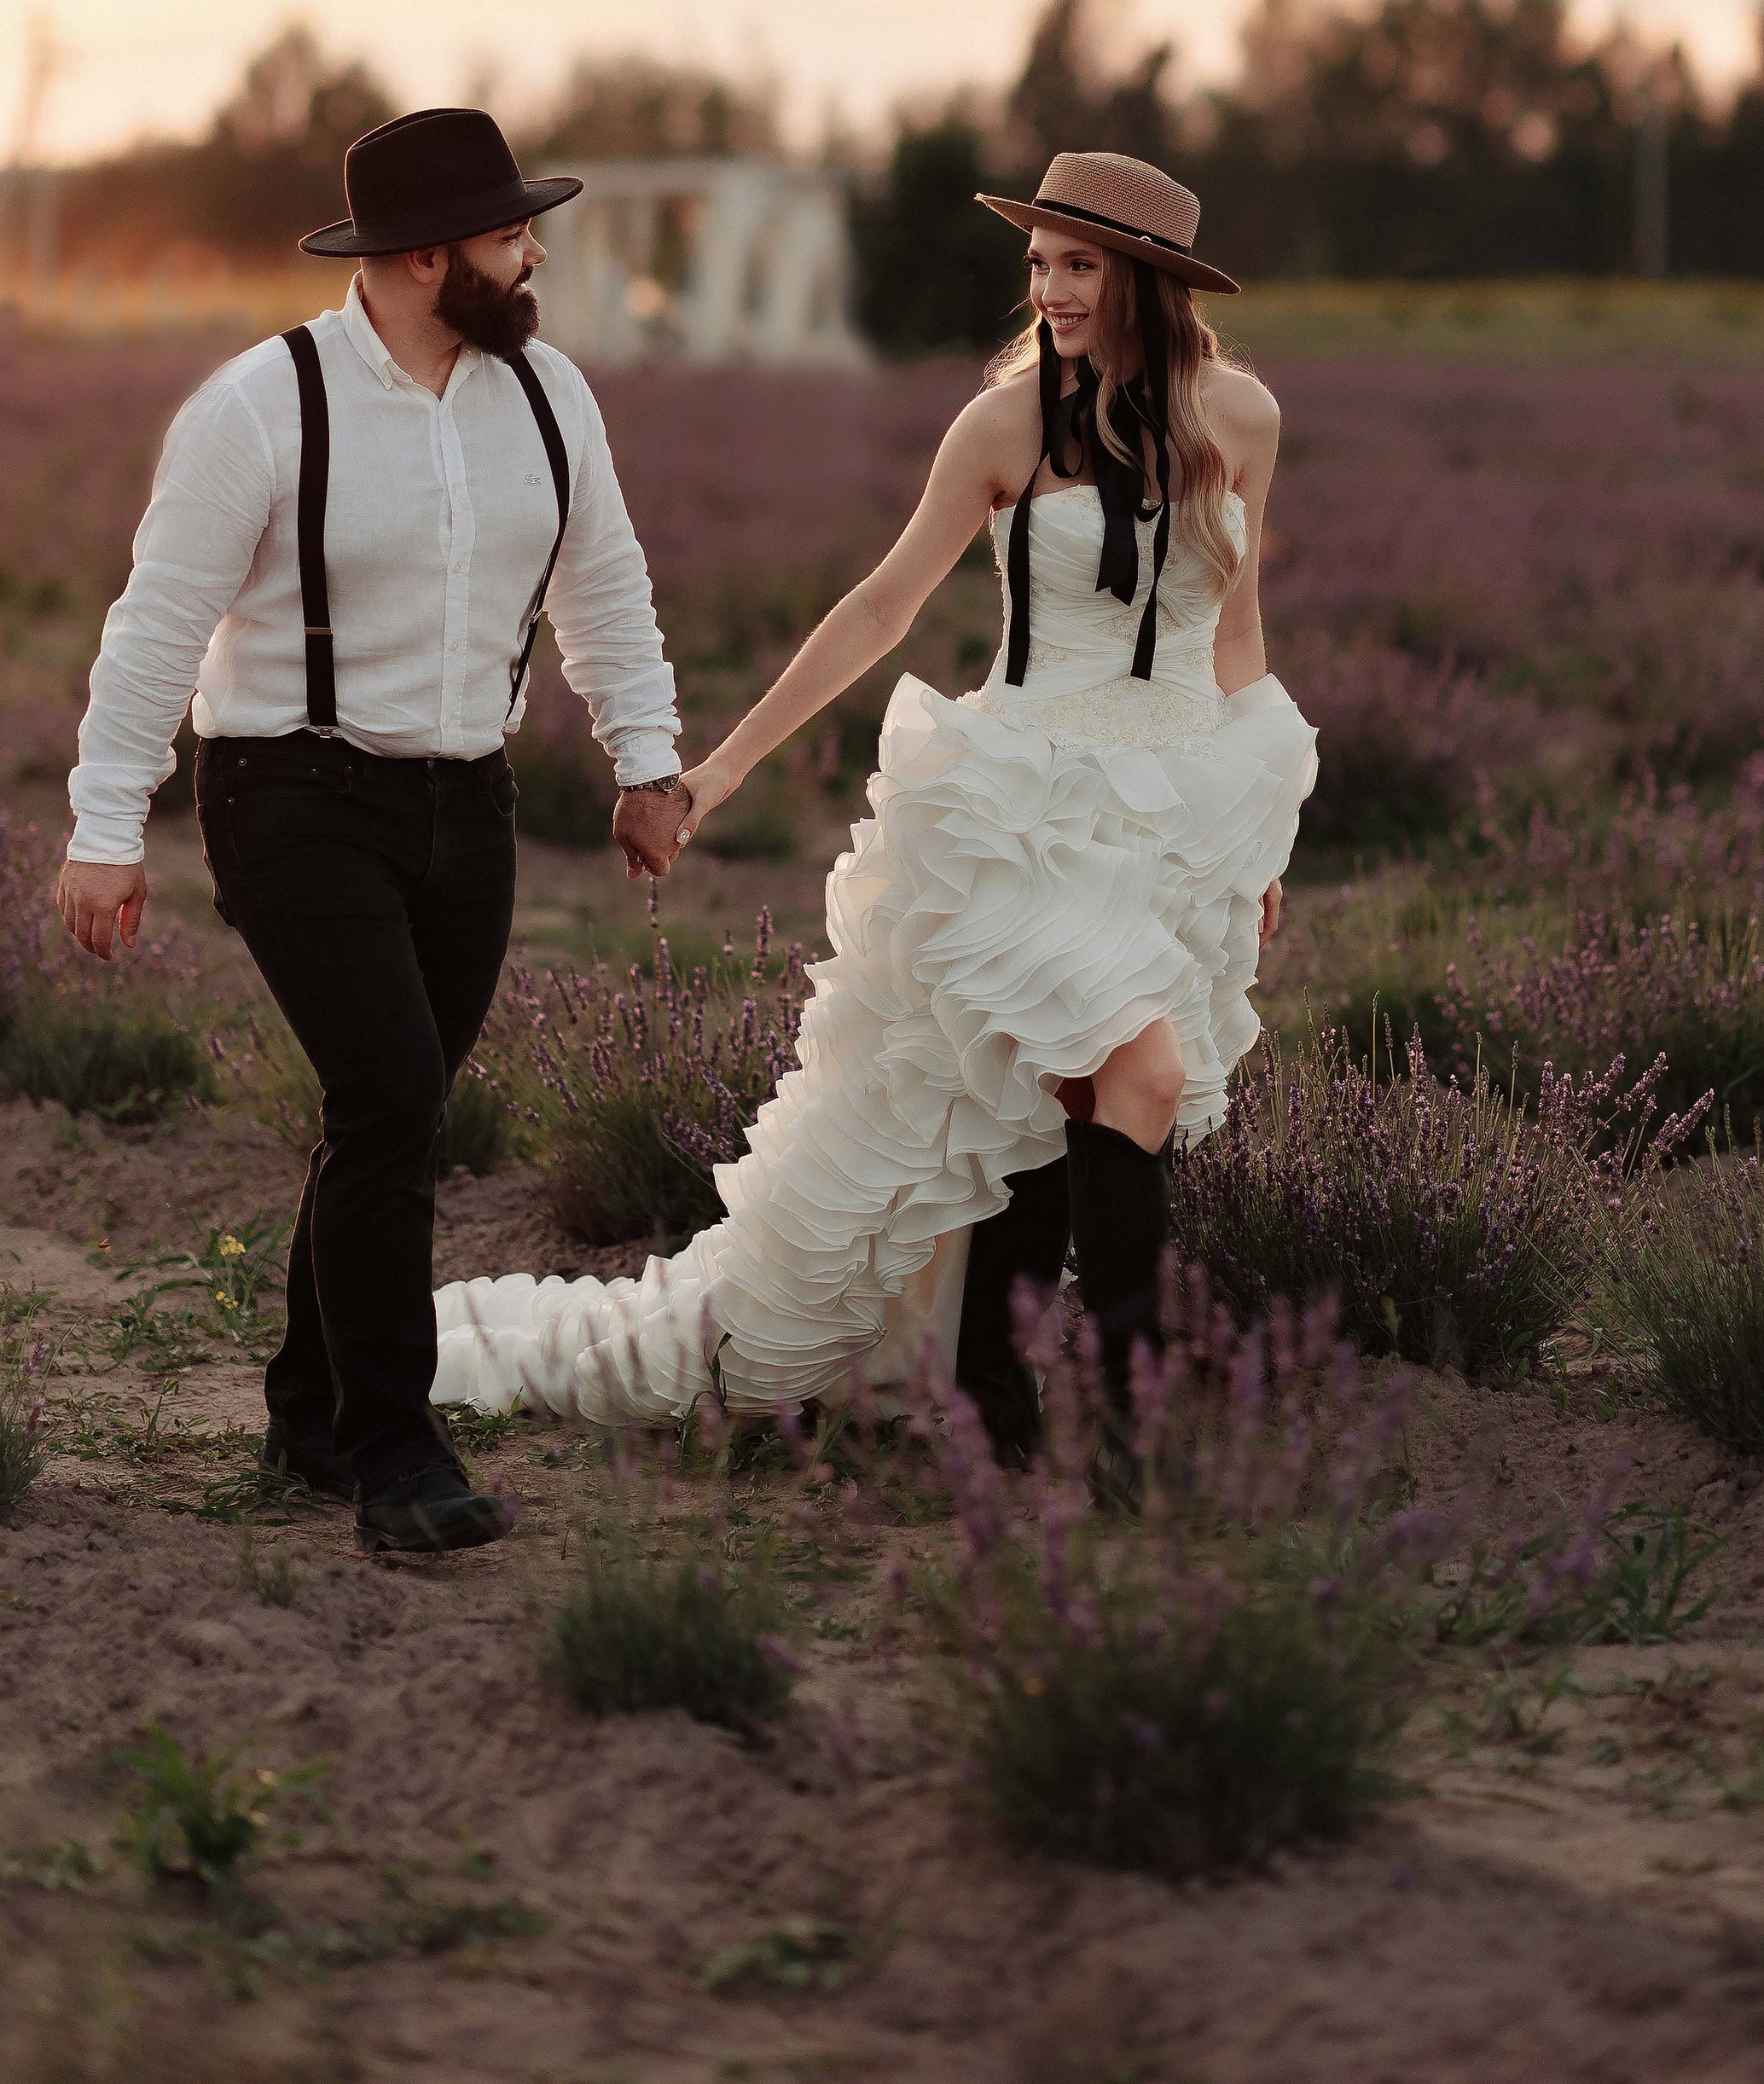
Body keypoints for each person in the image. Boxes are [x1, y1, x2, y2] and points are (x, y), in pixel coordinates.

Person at [433, 149, 1316, 1455]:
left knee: (1063, 1099)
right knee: (1139, 1068)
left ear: (1146, 279)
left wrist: (1254, 840)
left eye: (1078, 266)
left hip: (1176, 805)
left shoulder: (1242, 418)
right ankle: (1124, 1432)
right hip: (1024, 802)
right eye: (1039, 265)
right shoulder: (1006, 425)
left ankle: (1003, 1410)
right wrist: (723, 768)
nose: (1050, 290)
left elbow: (1234, 630)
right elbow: (882, 605)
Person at [55, 109, 688, 1552]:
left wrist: (647, 764)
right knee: (396, 1094)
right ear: (422, 258)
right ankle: (399, 1457)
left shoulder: (551, 397)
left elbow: (606, 584)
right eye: (509, 234)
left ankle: (310, 1410)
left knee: (385, 1112)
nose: (533, 255)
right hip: (290, 791)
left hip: (470, 802)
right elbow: (156, 626)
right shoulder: (258, 407)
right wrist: (105, 825)